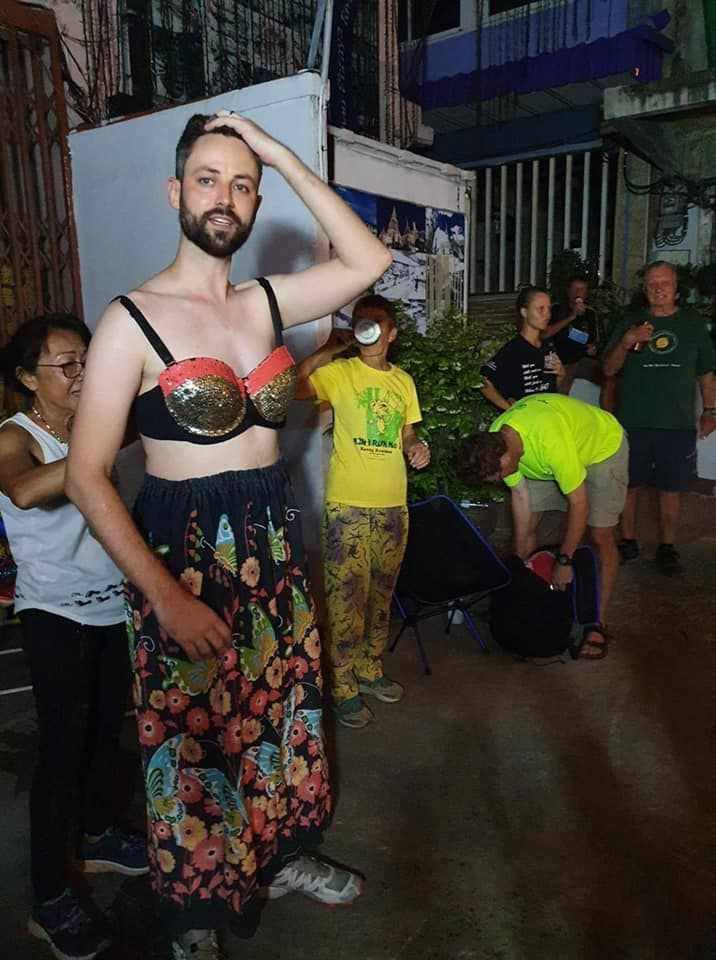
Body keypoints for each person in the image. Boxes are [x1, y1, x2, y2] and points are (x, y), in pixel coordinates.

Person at [65, 111, 392, 959]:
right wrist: (166, 597)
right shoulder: (128, 320)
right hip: (184, 556)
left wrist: (281, 154)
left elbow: (370, 262)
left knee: (283, 715)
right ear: (176, 192)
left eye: (243, 183)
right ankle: (199, 914)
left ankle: (281, 857)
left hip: (274, 543)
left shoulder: (264, 303)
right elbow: (86, 475)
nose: (227, 196)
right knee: (196, 737)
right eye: (209, 178)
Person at [0, 314, 148, 960]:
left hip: (111, 605)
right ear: (29, 379)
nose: (83, 373)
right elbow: (24, 491)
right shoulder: (14, 435)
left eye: (88, 359)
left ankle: (94, 836)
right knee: (59, 753)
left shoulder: (96, 424)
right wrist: (90, 454)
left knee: (101, 735)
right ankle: (48, 896)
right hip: (54, 612)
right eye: (67, 364)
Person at [295, 295, 430, 729]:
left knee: (381, 595)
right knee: (344, 600)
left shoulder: (404, 382)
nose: (368, 329)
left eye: (376, 323)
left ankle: (369, 670)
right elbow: (295, 388)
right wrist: (327, 349)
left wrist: (416, 447)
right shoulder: (340, 373)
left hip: (393, 505)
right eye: (361, 323)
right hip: (348, 507)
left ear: (391, 332)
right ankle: (342, 685)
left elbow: (407, 434)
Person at [457, 393, 628, 659]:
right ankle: (520, 596)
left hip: (601, 447)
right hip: (540, 460)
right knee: (525, 531)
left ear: (504, 459)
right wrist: (518, 564)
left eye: (497, 477)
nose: (498, 482)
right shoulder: (496, 440)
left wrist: (564, 560)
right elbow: (521, 497)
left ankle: (596, 622)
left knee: (600, 532)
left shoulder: (550, 442)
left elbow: (579, 504)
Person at [603, 260, 716, 575]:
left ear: (676, 288)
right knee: (629, 485)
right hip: (633, 421)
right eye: (652, 283)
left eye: (664, 283)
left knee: (671, 488)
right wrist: (626, 342)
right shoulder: (630, 322)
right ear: (644, 289)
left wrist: (710, 410)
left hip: (676, 423)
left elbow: (706, 373)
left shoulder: (693, 326)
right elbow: (609, 369)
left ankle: (667, 546)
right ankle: (627, 541)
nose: (658, 288)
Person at [480, 286, 565, 411]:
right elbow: (483, 381)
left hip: (547, 416)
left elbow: (552, 389)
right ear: (524, 312)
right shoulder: (514, 350)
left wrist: (561, 375)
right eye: (540, 309)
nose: (547, 314)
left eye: (549, 309)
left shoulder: (548, 347)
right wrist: (509, 409)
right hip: (526, 422)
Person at [543, 275, 603, 389]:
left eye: (582, 289)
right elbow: (545, 334)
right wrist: (572, 316)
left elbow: (594, 340)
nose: (578, 293)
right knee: (563, 381)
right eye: (575, 289)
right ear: (568, 291)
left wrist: (593, 348)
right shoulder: (555, 310)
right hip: (561, 360)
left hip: (582, 359)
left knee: (607, 375)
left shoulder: (590, 313)